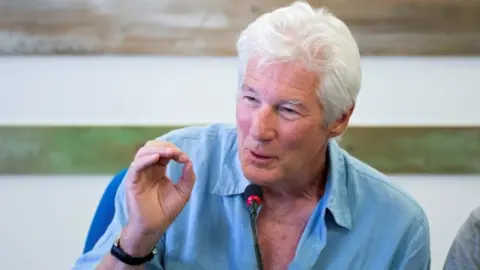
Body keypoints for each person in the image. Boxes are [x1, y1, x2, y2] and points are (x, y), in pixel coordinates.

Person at [73, 1, 431, 269]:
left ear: (340, 118)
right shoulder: (175, 167)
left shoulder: (398, 225)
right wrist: (137, 238)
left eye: (288, 109)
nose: (258, 130)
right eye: (250, 98)